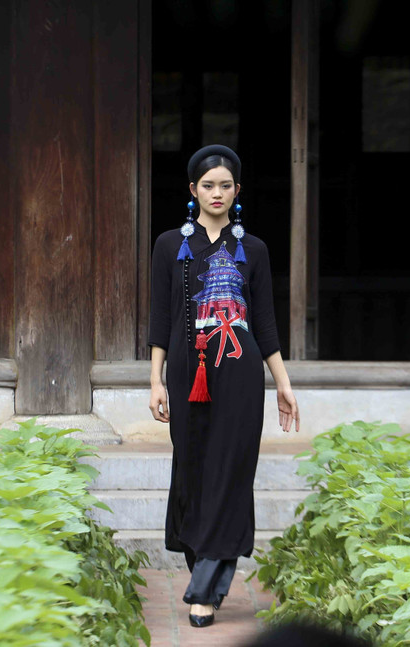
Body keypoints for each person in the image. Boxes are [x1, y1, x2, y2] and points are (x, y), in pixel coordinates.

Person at [148, 144, 300, 628]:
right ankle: (208, 572)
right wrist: (154, 380)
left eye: (226, 185)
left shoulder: (252, 249)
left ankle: (203, 590)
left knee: (230, 471)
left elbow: (267, 326)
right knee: (193, 469)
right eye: (208, 185)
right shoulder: (170, 245)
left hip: (238, 375)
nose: (218, 193)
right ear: (193, 190)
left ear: (238, 191)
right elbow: (160, 319)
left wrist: (283, 383)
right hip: (187, 376)